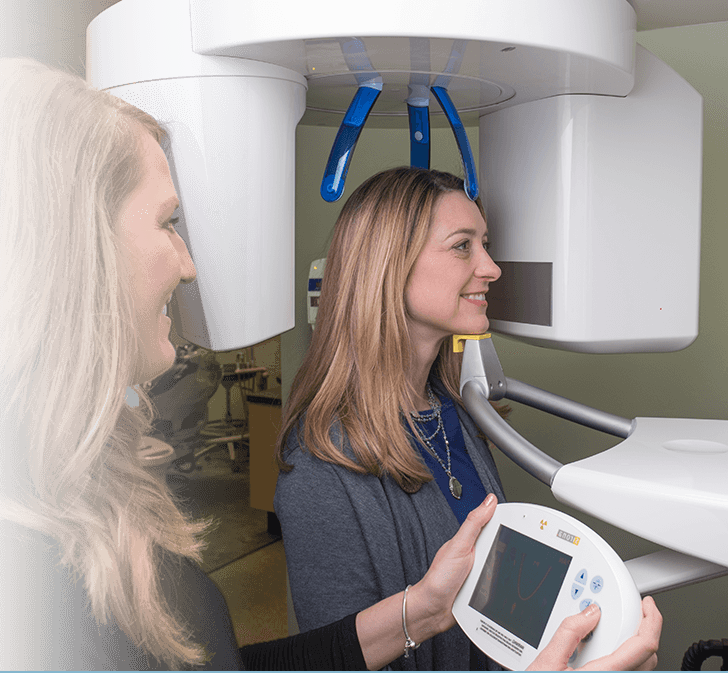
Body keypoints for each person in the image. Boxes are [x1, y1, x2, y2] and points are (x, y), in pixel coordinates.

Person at [0, 57, 661, 670]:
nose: (192, 264)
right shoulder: (11, 586)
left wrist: (423, 608)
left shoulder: (456, 415)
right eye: (169, 222)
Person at [273, 166, 664, 670]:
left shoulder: (454, 413)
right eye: (463, 246)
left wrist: (588, 646)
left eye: (486, 243)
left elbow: (494, 618)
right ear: (389, 266)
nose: (491, 267)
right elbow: (337, 659)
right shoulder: (319, 467)